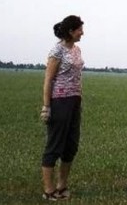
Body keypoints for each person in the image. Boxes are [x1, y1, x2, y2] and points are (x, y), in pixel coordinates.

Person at [40, 15, 85, 201]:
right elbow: (48, 80)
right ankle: (48, 190)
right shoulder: (57, 51)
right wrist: (46, 107)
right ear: (71, 31)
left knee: (71, 145)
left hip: (75, 100)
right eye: (80, 29)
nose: (83, 32)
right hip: (59, 101)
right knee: (55, 145)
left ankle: (62, 185)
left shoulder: (77, 49)